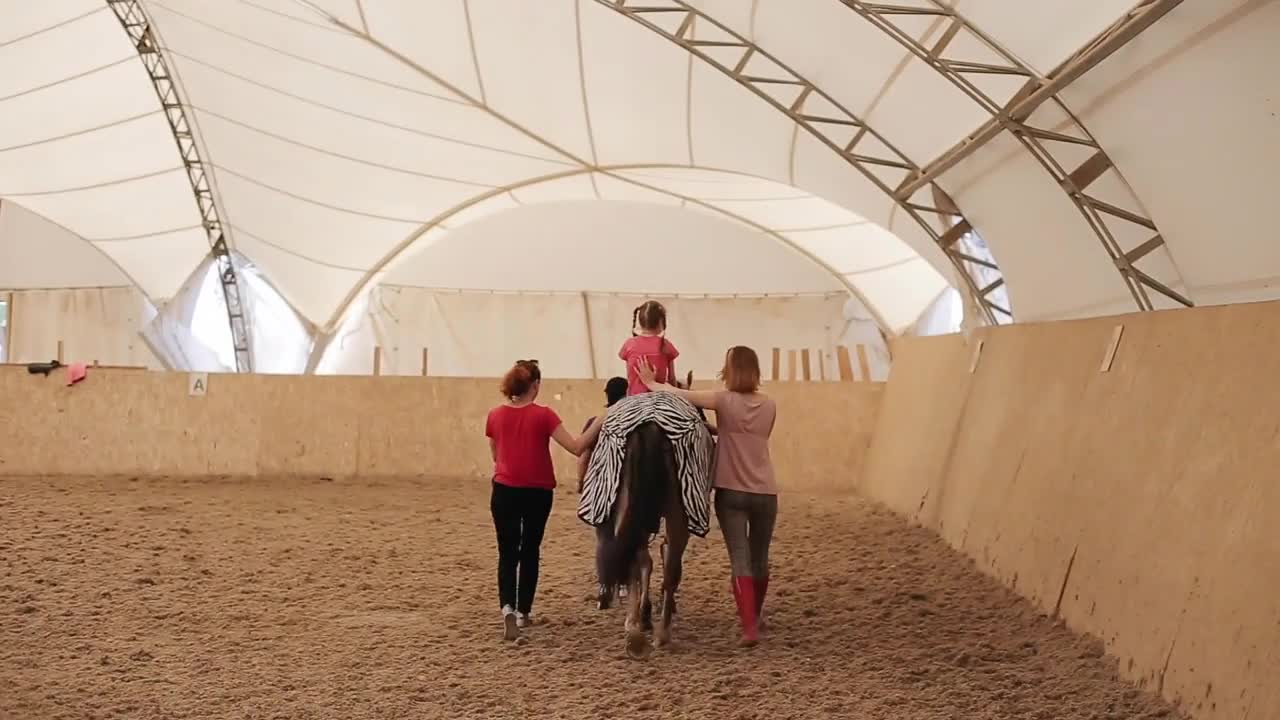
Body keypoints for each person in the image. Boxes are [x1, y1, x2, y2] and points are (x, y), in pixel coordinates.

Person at [637, 346, 777, 647]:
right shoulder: (770, 404)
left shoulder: (722, 399)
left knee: (740, 559)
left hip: (731, 491)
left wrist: (651, 382)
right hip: (766, 491)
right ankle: (758, 614)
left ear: (729, 370)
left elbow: (678, 395)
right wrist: (716, 428)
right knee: (760, 558)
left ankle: (749, 628)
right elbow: (748, 435)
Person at [486, 359, 601, 641]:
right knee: (530, 550)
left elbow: (496, 456)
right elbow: (576, 447)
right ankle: (524, 612)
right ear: (535, 386)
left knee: (507, 552)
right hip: (537, 492)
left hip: (504, 490)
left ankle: (507, 608)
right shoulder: (544, 415)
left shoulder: (494, 415)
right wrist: (599, 423)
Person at [576, 376, 630, 609]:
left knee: (603, 538)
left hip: (601, 485)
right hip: (629, 486)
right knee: (628, 538)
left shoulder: (595, 421)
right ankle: (627, 585)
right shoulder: (633, 420)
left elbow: (584, 456)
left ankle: (605, 587)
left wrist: (581, 482)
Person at [618, 300, 679, 397]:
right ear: (661, 322)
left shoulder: (629, 344)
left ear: (640, 322)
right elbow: (672, 378)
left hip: (634, 397)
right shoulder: (666, 345)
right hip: (660, 395)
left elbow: (629, 376)